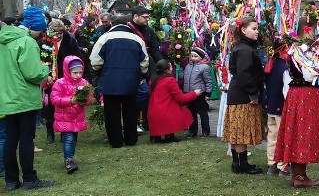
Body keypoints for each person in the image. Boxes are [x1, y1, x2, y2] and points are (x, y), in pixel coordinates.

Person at [1, 6, 53, 190]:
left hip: (6, 96)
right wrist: (45, 70)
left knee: (10, 139)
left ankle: (11, 180)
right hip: (24, 98)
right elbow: (32, 73)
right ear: (34, 26)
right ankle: (30, 179)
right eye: (41, 28)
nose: (42, 33)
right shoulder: (26, 42)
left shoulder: (3, 40)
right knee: (26, 139)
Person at [275, 18, 319, 187]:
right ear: (308, 29)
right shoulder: (305, 51)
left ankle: (300, 174)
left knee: (300, 131)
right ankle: (299, 176)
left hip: (298, 94)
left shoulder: (295, 49)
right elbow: (310, 74)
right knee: (303, 131)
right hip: (305, 94)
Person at [90, 13, 149, 148]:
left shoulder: (104, 38)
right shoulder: (137, 39)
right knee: (130, 111)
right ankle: (131, 138)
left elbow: (95, 61)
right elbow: (144, 61)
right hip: (131, 81)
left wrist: (100, 72)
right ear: (127, 23)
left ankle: (115, 141)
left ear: (112, 23)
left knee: (112, 113)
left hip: (110, 81)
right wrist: (140, 74)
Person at [221, 15, 264, 174]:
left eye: (257, 29)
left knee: (237, 130)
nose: (257, 32)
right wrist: (253, 94)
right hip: (242, 95)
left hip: (237, 94)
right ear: (243, 30)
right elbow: (245, 74)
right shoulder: (245, 50)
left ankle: (237, 163)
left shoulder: (240, 47)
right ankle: (242, 164)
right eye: (254, 29)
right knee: (240, 131)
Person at [49, 56, 93, 173]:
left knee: (73, 139)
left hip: (77, 117)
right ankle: (68, 159)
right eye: (75, 73)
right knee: (68, 139)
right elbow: (54, 99)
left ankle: (70, 156)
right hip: (64, 117)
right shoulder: (60, 83)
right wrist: (70, 101)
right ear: (68, 71)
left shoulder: (84, 83)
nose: (78, 75)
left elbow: (90, 99)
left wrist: (85, 100)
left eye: (80, 72)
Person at [41, 18, 82, 145]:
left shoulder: (70, 41)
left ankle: (65, 132)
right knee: (49, 106)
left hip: (65, 78)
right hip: (49, 78)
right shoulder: (43, 42)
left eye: (61, 33)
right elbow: (40, 60)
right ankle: (50, 132)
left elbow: (76, 58)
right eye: (56, 33)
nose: (58, 36)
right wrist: (46, 74)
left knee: (65, 105)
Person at [148, 60, 201, 143]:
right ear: (167, 70)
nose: (172, 68)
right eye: (171, 67)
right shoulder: (170, 81)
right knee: (185, 111)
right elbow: (181, 98)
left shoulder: (153, 80)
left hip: (153, 112)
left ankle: (157, 136)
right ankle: (169, 135)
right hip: (165, 112)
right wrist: (194, 93)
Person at [263, 41, 290, 176]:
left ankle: (271, 163)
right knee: (282, 135)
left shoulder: (270, 65)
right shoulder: (283, 68)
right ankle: (282, 165)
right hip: (280, 105)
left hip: (271, 105)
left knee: (272, 134)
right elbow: (286, 89)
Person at [181, 47, 212, 137]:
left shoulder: (204, 67)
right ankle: (192, 130)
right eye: (192, 56)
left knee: (202, 112)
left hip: (199, 93)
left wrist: (208, 93)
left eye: (196, 56)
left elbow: (208, 81)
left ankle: (206, 130)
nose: (193, 58)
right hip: (189, 93)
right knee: (191, 113)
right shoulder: (187, 66)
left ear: (200, 57)